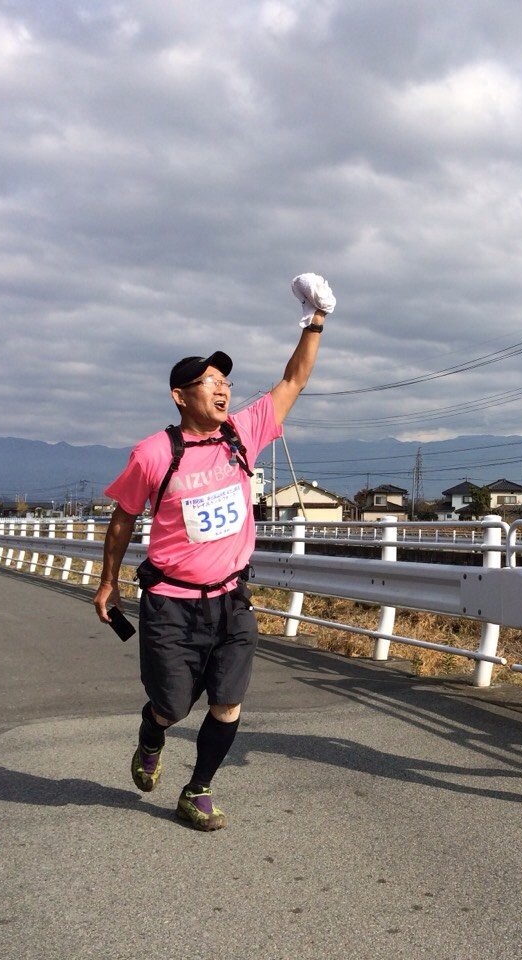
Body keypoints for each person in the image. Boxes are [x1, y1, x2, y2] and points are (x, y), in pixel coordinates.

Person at [93, 282, 332, 831]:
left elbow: (295, 379)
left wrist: (314, 320)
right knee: (172, 706)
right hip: (171, 606)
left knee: (228, 704)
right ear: (181, 395)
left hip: (231, 601)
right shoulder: (154, 453)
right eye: (209, 383)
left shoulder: (242, 434)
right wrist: (109, 582)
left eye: (226, 382)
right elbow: (124, 517)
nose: (222, 390)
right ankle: (152, 737)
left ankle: (197, 789)